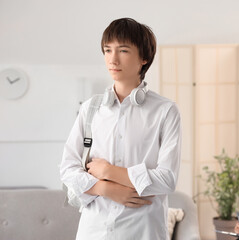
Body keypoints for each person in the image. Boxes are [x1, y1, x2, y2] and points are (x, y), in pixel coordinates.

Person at [60, 18, 181, 240]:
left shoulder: (165, 111)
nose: (112, 59)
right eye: (108, 50)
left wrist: (109, 172)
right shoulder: (90, 109)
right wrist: (105, 189)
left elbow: (167, 179)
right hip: (94, 231)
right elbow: (68, 170)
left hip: (143, 231)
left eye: (123, 50)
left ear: (144, 58)